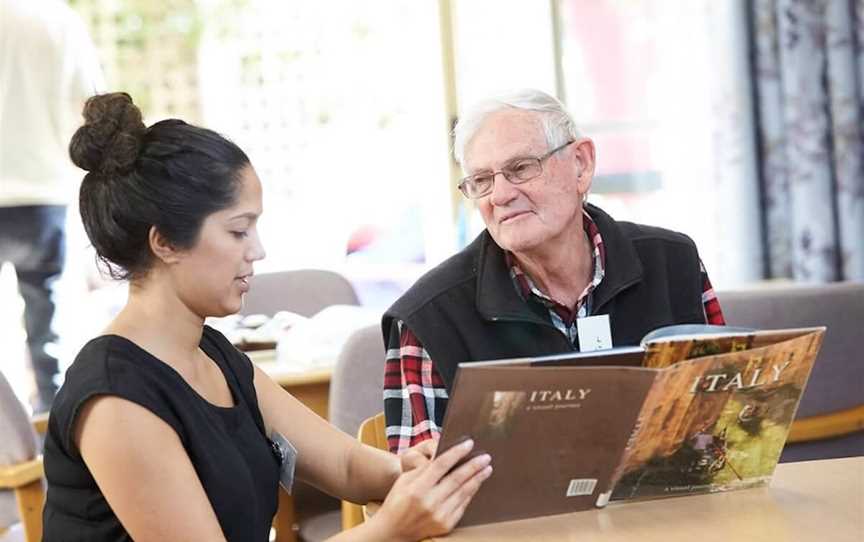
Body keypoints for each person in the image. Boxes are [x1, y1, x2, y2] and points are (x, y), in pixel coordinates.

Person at [42, 92, 493, 541]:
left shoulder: (213, 354)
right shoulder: (117, 400)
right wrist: (390, 530)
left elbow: (345, 464)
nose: (257, 251)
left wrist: (408, 469)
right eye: (238, 231)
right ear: (165, 244)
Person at [383, 89, 726, 454]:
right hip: (516, 512)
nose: (499, 195)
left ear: (581, 164)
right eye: (481, 180)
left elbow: (727, 424)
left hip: (669, 507)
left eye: (520, 168)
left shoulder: (674, 263)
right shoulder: (428, 318)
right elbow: (421, 491)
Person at [0, 0, 104, 412]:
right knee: (47, 334)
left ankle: (9, 450)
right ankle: (54, 437)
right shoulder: (58, 22)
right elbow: (95, 106)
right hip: (40, 191)